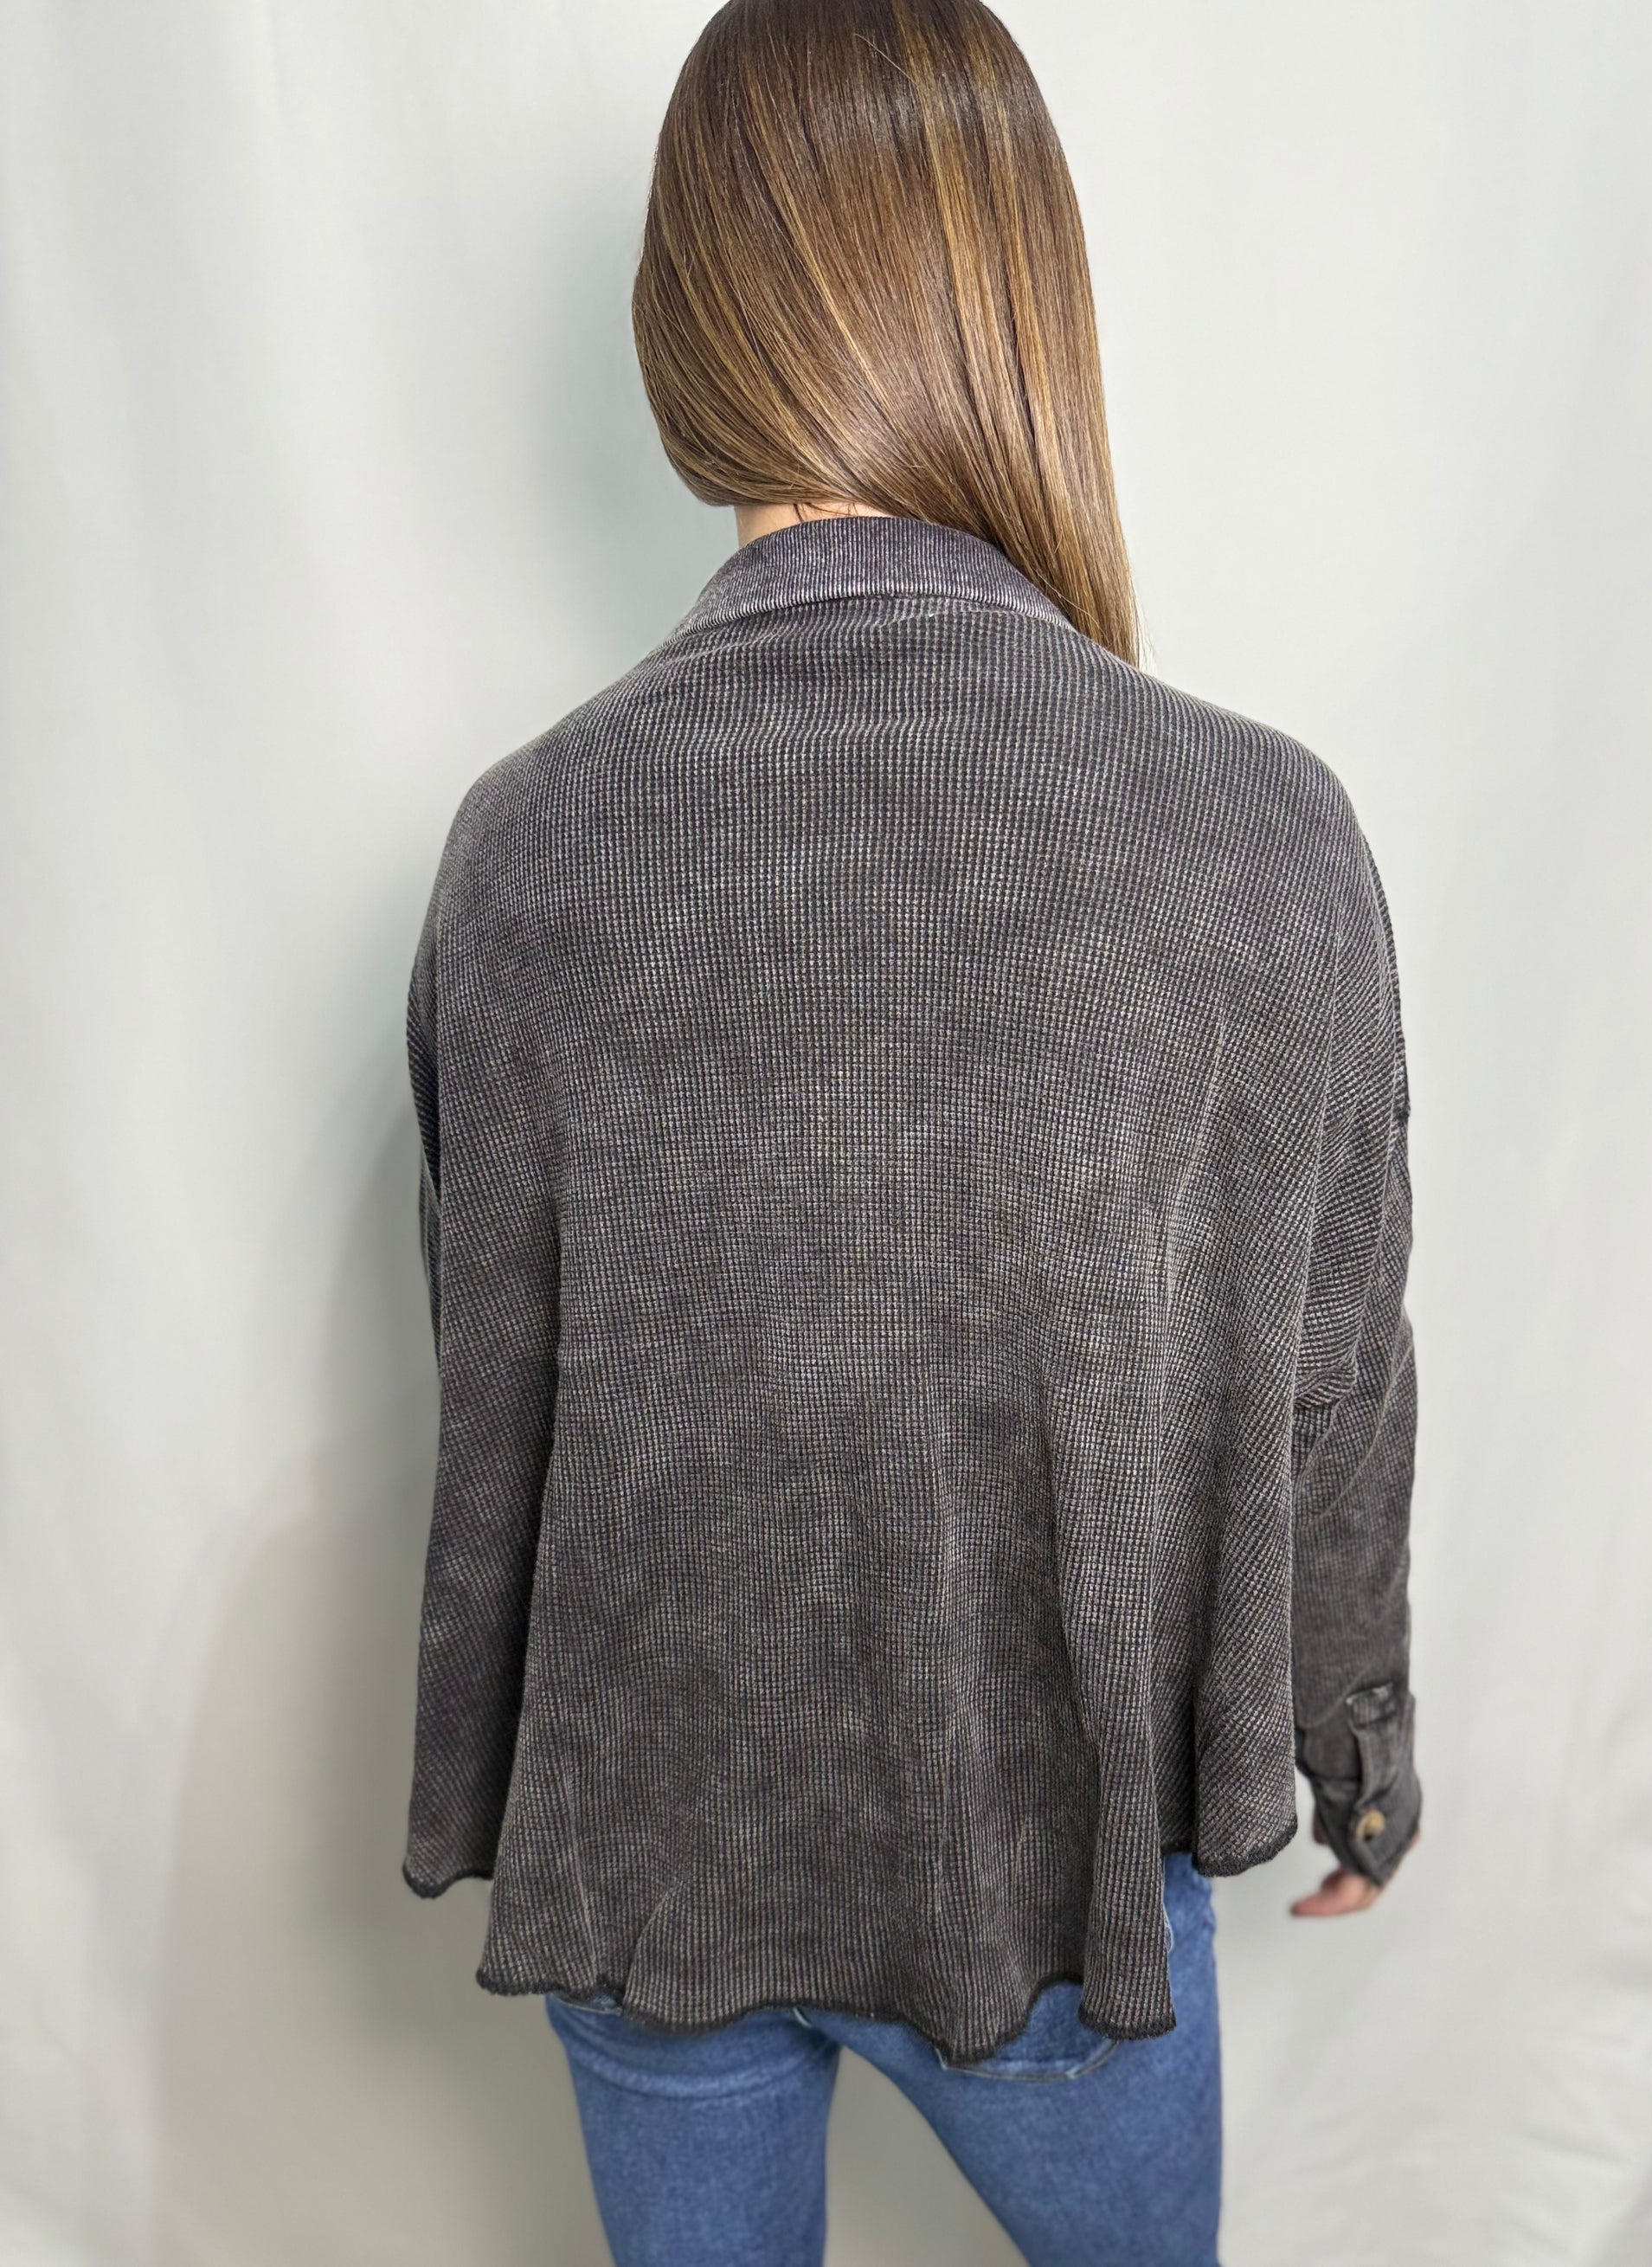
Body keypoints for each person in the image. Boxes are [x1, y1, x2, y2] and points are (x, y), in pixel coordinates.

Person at [398, 0, 1422, 2258]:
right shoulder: (1261, 836)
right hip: (1047, 1870)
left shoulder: (524, 849)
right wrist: (1356, 1741)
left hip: (651, 1856)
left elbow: (498, 1370)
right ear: (1018, 304)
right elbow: (1332, 1368)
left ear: (687, 325)